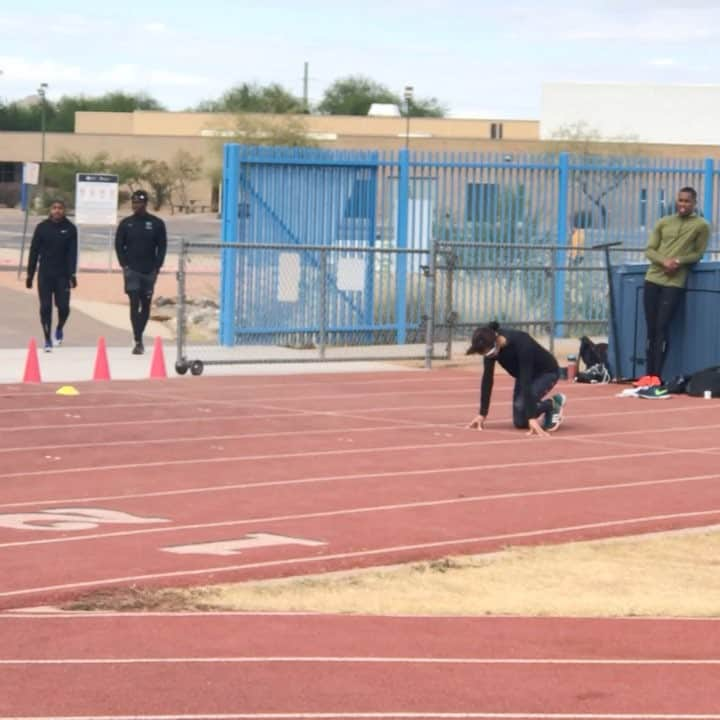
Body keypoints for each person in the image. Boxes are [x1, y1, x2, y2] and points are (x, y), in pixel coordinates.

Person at [643, 186, 709, 384]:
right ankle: (647, 375)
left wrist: (678, 261)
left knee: (662, 327)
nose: (683, 204)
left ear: (694, 203)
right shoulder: (664, 222)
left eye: (687, 201)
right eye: (680, 200)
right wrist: (663, 261)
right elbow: (650, 250)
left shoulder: (701, 225)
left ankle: (657, 376)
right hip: (653, 278)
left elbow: (698, 254)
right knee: (651, 329)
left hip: (674, 282)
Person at [466, 322, 566, 437]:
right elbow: (487, 379)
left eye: (490, 353)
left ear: (497, 340)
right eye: (486, 355)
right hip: (523, 375)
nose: (490, 356)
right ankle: (543, 406)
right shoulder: (489, 349)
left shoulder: (522, 342)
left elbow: (526, 379)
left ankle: (553, 404)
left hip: (546, 372)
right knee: (520, 422)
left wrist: (532, 418)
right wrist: (482, 414)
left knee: (525, 409)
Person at [115, 189, 167, 354]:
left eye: (139, 203)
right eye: (134, 202)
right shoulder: (126, 223)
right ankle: (138, 340)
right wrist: (124, 265)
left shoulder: (157, 223)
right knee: (134, 301)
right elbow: (118, 245)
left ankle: (139, 334)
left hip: (149, 270)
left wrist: (157, 266)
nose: (136, 205)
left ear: (145, 204)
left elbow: (162, 246)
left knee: (145, 304)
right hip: (132, 270)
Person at [25, 199, 78, 352]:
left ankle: (60, 327)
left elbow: (72, 254)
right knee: (45, 307)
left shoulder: (70, 229)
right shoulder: (42, 228)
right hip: (45, 274)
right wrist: (30, 274)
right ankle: (47, 338)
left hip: (62, 275)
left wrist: (72, 274)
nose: (57, 211)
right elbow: (34, 251)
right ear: (50, 210)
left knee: (63, 308)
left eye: (60, 208)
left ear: (64, 210)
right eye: (54, 208)